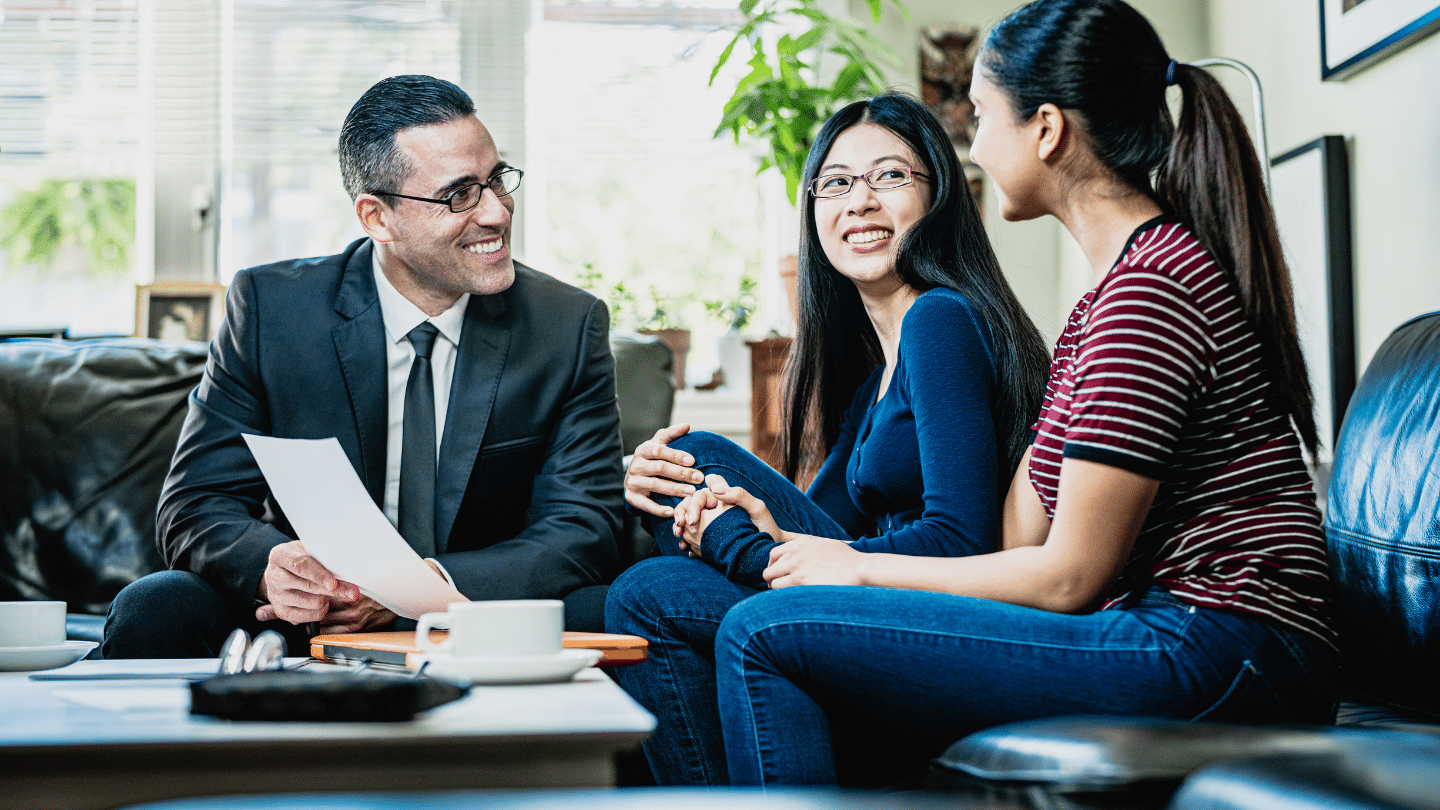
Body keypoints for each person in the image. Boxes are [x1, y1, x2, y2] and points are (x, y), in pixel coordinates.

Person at [693, 0, 1340, 787]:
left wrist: (856, 569)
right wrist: (816, 548)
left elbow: (1067, 579)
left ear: (1046, 130)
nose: (973, 146)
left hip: (1226, 643)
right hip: (1180, 632)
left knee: (764, 631)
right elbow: (1013, 542)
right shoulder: (1100, 306)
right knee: (760, 599)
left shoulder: (1148, 294)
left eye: (981, 115)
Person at [606, 93, 1051, 785]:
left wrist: (749, 543)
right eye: (837, 183)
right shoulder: (877, 377)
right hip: (885, 606)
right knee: (658, 565)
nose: (860, 201)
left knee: (664, 555)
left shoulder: (940, 320)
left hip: (938, 617)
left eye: (890, 176)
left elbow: (962, 539)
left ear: (938, 196)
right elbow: (816, 524)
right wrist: (700, 506)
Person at [103, 75, 624, 658]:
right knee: (158, 606)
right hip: (311, 615)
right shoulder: (272, 310)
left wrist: (419, 590)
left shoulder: (566, 325)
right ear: (377, 218)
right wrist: (273, 567)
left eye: (497, 180)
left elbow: (584, 526)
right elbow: (196, 503)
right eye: (460, 195)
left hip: (475, 610)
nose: (496, 212)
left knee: (611, 605)